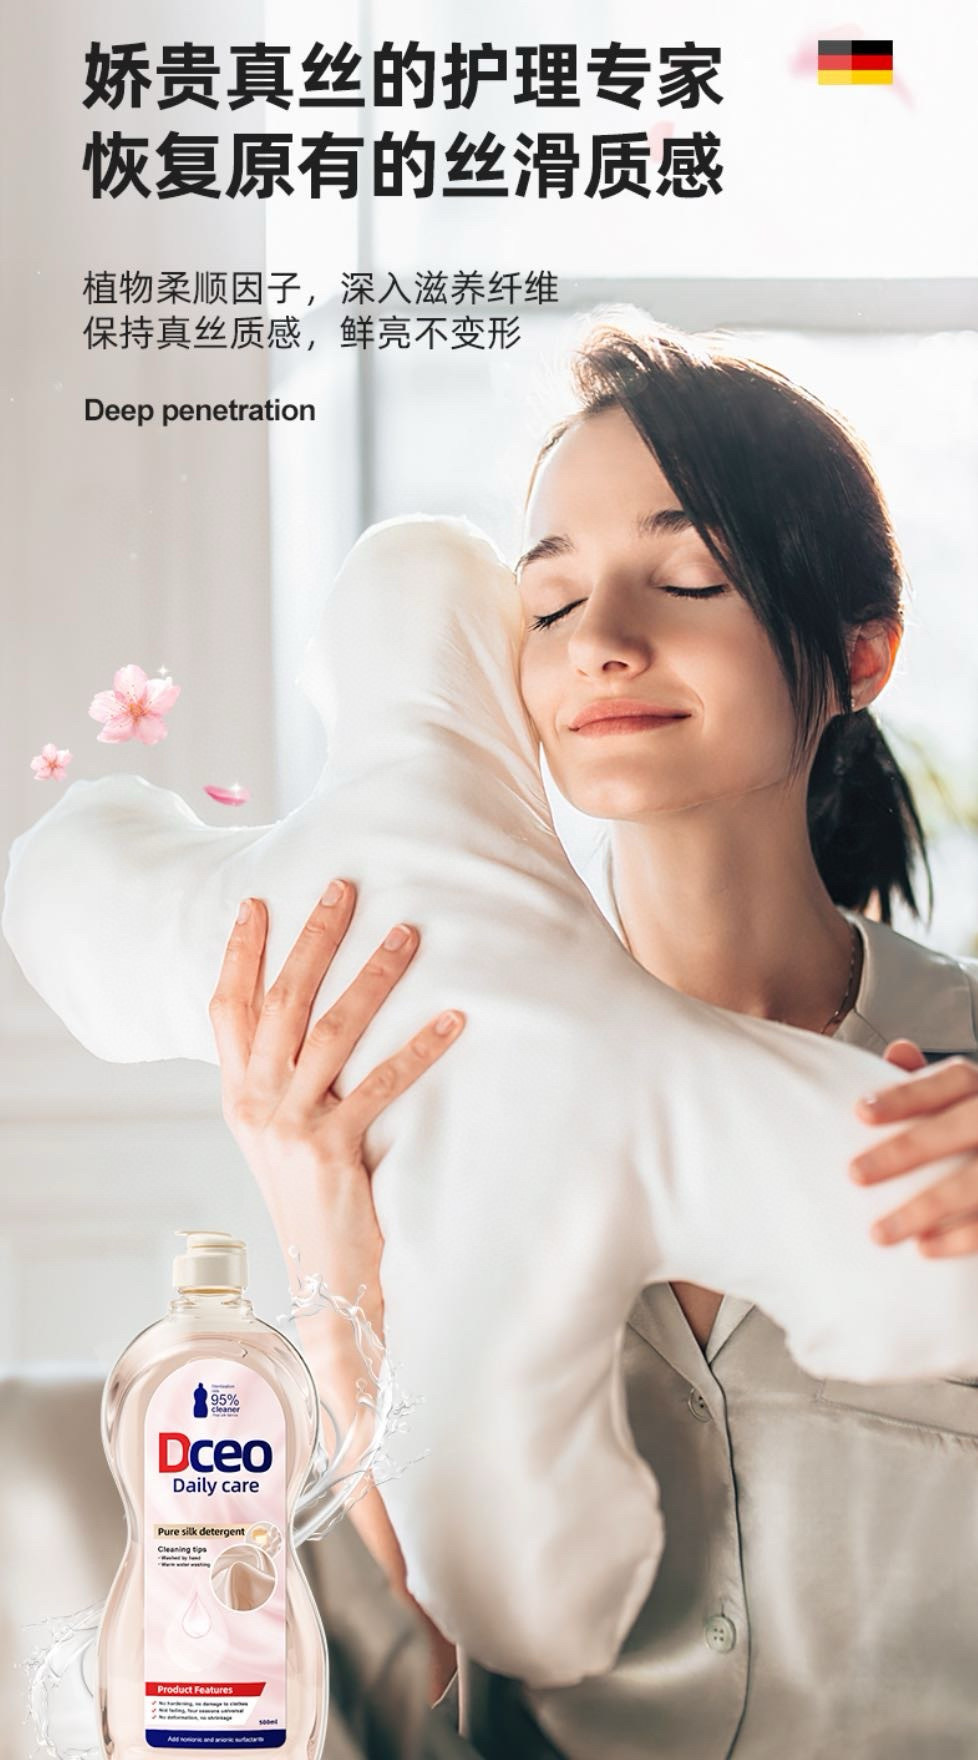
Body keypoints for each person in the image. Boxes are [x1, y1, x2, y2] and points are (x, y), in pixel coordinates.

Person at [208, 318, 978, 1760]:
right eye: (551, 603)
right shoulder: (412, 1076)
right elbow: (416, 1676)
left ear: (860, 650)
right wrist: (330, 1251)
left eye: (689, 580)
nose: (603, 642)